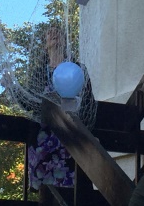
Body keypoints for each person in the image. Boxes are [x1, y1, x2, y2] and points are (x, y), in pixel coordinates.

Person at [25, 26, 94, 195]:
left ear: (65, 41)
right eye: (50, 32)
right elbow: (29, 101)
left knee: (72, 194)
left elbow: (88, 102)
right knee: (47, 195)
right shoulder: (39, 73)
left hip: (70, 140)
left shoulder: (77, 69)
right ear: (45, 44)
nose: (54, 34)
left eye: (59, 32)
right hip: (44, 141)